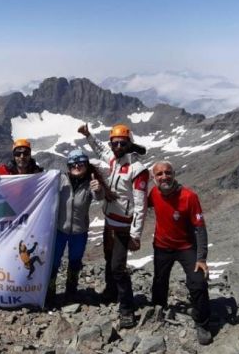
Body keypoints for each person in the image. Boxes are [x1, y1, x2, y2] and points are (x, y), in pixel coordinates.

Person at [78, 123, 149, 329]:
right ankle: (111, 292)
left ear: (129, 144)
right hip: (109, 222)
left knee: (118, 267)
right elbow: (100, 149)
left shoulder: (137, 169)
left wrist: (136, 235)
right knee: (109, 259)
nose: (117, 146)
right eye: (114, 143)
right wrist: (88, 135)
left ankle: (127, 308)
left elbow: (140, 205)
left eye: (122, 143)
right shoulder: (113, 159)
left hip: (124, 226)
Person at [148, 161, 212, 345]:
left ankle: (202, 323)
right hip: (162, 245)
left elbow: (200, 228)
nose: (164, 177)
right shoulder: (153, 193)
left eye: (167, 173)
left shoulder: (189, 197)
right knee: (159, 280)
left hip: (186, 247)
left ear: (174, 174)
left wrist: (201, 258)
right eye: (159, 174)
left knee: (198, 282)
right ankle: (159, 309)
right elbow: (138, 204)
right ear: (154, 178)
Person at [48, 149, 113, 305]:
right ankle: (49, 293)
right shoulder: (60, 180)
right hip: (59, 230)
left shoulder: (90, 182)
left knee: (75, 261)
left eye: (81, 163)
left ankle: (71, 292)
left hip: (79, 232)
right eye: (73, 163)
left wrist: (98, 189)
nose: (77, 166)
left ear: (86, 165)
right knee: (54, 262)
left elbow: (99, 197)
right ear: (68, 166)